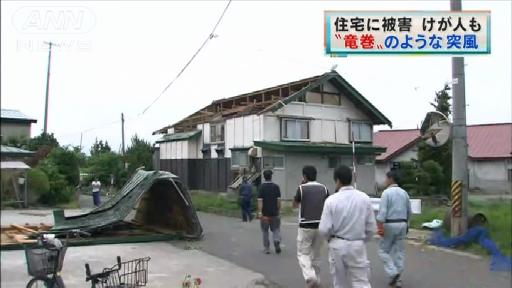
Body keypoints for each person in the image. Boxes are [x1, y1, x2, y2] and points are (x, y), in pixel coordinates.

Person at [319, 165, 376, 288]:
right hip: (357, 244)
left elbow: (324, 228)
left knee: (339, 282)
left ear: (337, 180)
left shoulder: (331, 200)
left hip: (337, 244)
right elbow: (371, 227)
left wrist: (330, 239)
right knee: (361, 281)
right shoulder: (364, 198)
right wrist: (362, 240)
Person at [293, 165, 329, 287]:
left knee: (303, 253)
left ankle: (310, 277)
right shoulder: (324, 188)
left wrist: (301, 185)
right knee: (317, 255)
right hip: (321, 225)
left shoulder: (301, 188)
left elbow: (295, 204)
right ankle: (317, 280)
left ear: (304, 176)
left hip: (305, 225)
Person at [376, 170, 412, 288]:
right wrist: (407, 225)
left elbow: (382, 212)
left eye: (386, 178)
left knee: (383, 251)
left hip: (390, 224)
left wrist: (380, 226)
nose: (385, 181)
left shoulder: (386, 193)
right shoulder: (404, 193)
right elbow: (409, 212)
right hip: (402, 223)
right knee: (399, 252)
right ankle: (398, 279)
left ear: (391, 179)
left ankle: (393, 272)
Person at [257, 170, 282, 254]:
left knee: (265, 231)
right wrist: (278, 210)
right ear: (271, 176)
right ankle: (276, 240)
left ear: (264, 177)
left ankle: (267, 248)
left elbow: (260, 201)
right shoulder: (276, 187)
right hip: (275, 213)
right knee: (276, 229)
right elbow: (279, 201)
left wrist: (260, 212)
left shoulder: (261, 188)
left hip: (265, 214)